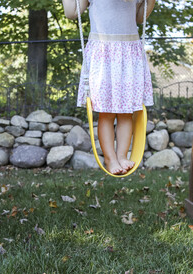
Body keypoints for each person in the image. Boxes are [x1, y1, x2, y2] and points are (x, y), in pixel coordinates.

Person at [62, 0, 154, 175]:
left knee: (126, 112)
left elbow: (140, 17)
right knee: (106, 112)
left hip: (129, 53)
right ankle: (110, 158)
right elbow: (72, 13)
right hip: (103, 54)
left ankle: (122, 155)